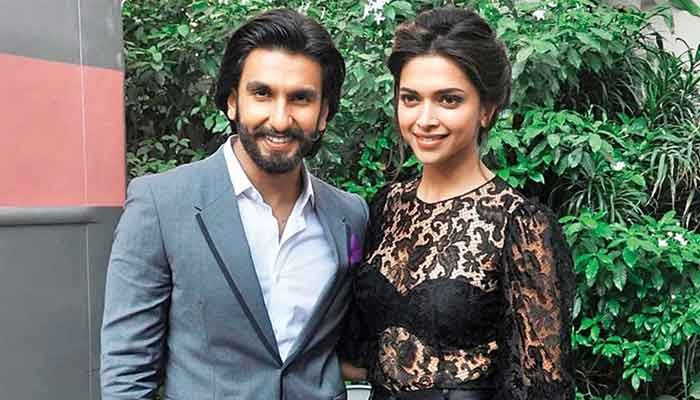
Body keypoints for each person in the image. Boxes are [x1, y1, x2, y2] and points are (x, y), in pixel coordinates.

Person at [101, 8, 368, 400]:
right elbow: (127, 370)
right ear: (232, 102)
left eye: (300, 98)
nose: (280, 119)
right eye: (262, 94)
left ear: (323, 113)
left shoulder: (350, 215)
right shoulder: (161, 204)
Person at [340, 7, 575, 400]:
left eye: (448, 100)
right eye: (410, 98)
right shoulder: (387, 206)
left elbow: (542, 387)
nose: (424, 119)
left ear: (487, 109)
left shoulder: (519, 224)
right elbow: (364, 351)